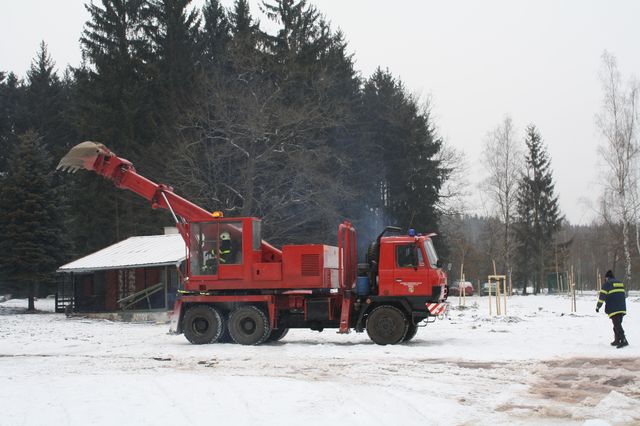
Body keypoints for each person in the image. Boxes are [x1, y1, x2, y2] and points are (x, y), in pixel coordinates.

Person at [596, 270, 628, 348]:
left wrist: (598, 306)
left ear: (607, 278)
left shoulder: (607, 284)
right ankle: (617, 340)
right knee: (617, 324)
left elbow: (602, 297)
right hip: (622, 307)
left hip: (614, 308)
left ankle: (623, 340)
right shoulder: (620, 283)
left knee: (617, 325)